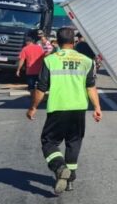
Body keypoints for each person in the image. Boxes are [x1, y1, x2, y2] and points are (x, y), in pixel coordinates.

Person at [26, 27, 102, 195]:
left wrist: (33, 107)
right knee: (73, 143)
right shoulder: (86, 61)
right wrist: (97, 107)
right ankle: (70, 180)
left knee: (49, 142)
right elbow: (91, 87)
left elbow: (41, 88)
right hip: (79, 109)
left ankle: (60, 168)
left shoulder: (50, 60)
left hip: (58, 108)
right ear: (73, 42)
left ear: (58, 42)